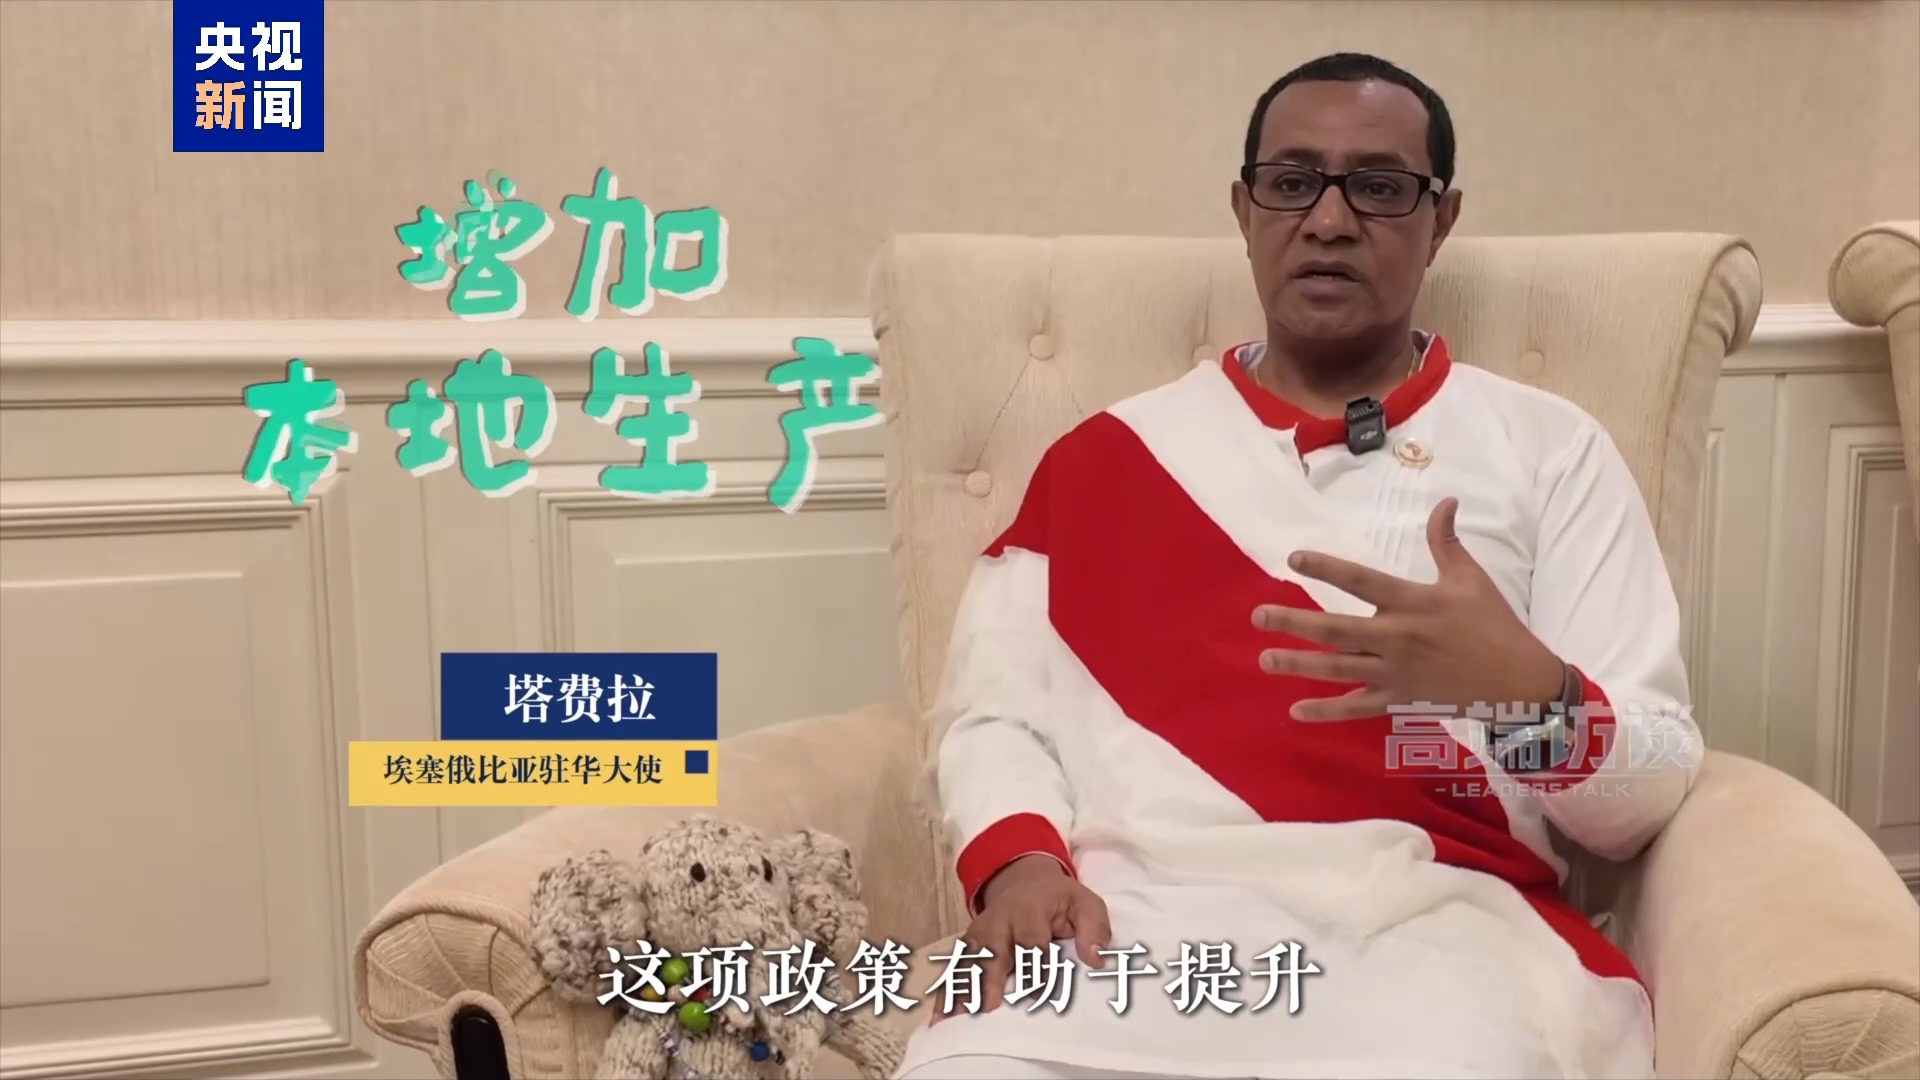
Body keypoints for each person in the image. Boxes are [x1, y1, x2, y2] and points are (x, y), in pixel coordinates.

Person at [891, 52, 1701, 1080]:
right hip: (1136, 923)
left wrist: (1527, 694)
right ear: (1245, 210)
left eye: (1379, 187)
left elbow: (1646, 794)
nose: (1327, 221)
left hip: (1445, 928)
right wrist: (1018, 864)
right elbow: (995, 714)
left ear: (1441, 219)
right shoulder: (1103, 461)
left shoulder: (1549, 450)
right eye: (1291, 182)